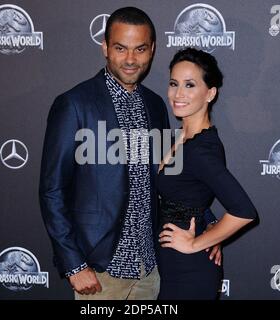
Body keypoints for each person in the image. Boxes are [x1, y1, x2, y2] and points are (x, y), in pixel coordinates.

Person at [39, 7, 222, 300]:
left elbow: (168, 178)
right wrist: (73, 264)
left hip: (150, 268)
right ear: (105, 48)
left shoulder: (155, 105)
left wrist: (207, 222)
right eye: (120, 48)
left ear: (152, 50)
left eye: (140, 49)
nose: (130, 59)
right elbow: (52, 190)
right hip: (101, 271)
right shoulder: (74, 105)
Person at [157, 48, 258, 300]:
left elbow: (244, 211)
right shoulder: (180, 137)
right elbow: (192, 193)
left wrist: (195, 243)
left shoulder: (202, 150)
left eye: (190, 85)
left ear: (210, 93)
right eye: (173, 83)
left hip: (189, 272)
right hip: (167, 266)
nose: (178, 94)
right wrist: (210, 222)